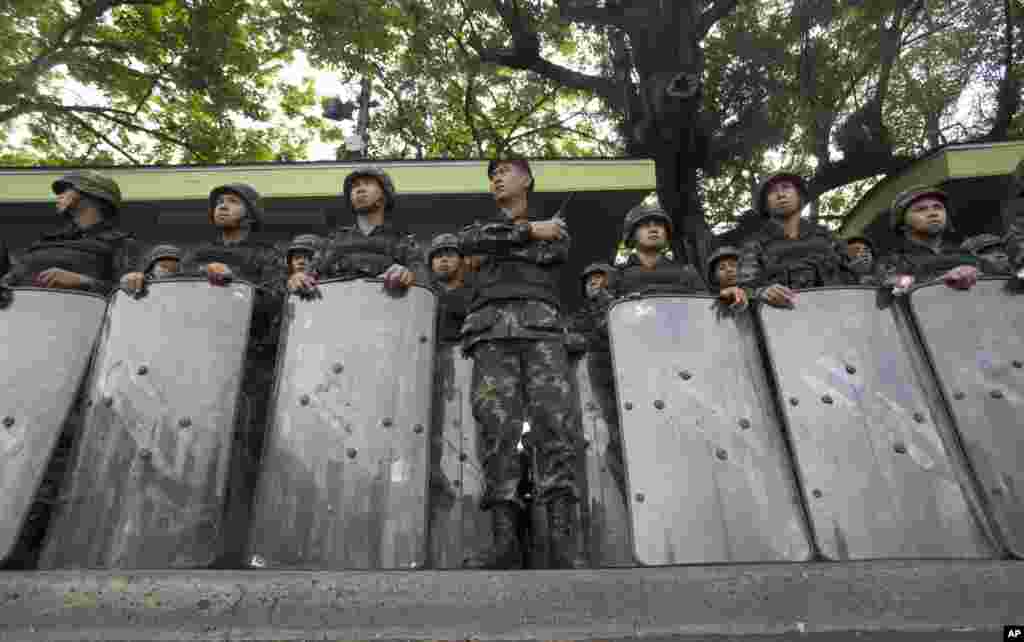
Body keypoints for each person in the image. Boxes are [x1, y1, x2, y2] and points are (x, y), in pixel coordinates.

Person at [458, 157, 584, 569]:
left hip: (542, 333)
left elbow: (556, 250)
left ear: (526, 179)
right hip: (491, 334)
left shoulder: (557, 229)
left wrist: (526, 233)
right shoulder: (479, 228)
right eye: (492, 174)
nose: (496, 177)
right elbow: (469, 243)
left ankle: (563, 543)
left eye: (505, 171)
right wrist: (529, 231)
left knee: (555, 427)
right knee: (497, 432)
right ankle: (504, 543)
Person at [719, 172, 853, 309]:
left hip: (837, 315)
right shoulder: (754, 246)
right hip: (786, 322)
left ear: (799, 196)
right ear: (765, 204)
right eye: (772, 192)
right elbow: (745, 289)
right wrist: (762, 292)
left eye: (786, 187)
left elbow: (856, 276)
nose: (780, 194)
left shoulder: (827, 237)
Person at [2, 171, 141, 295]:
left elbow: (129, 294)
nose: (59, 196)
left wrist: (85, 282)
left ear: (92, 193)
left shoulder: (122, 244)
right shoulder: (45, 243)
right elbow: (8, 283)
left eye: (65, 190)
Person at [293, 166, 425, 297]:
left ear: (383, 196)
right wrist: (298, 279)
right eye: (355, 186)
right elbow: (308, 276)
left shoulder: (403, 241)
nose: (360, 189)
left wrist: (408, 275)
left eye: (368, 184)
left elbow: (423, 282)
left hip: (386, 314)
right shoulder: (334, 242)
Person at [875, 186, 980, 294]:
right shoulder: (891, 262)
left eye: (938, 207)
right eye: (921, 209)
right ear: (901, 223)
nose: (933, 213)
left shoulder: (968, 255)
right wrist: (944, 280)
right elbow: (892, 291)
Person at [612, 203, 706, 296]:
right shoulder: (617, 276)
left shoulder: (687, 273)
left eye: (659, 225)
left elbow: (704, 307)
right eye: (645, 225)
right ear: (631, 235)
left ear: (667, 234)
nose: (653, 229)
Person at [284, 234, 322, 299]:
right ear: (290, 263)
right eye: (297, 258)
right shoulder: (286, 282)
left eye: (308, 257)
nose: (301, 261)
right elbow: (292, 283)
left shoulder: (331, 276)